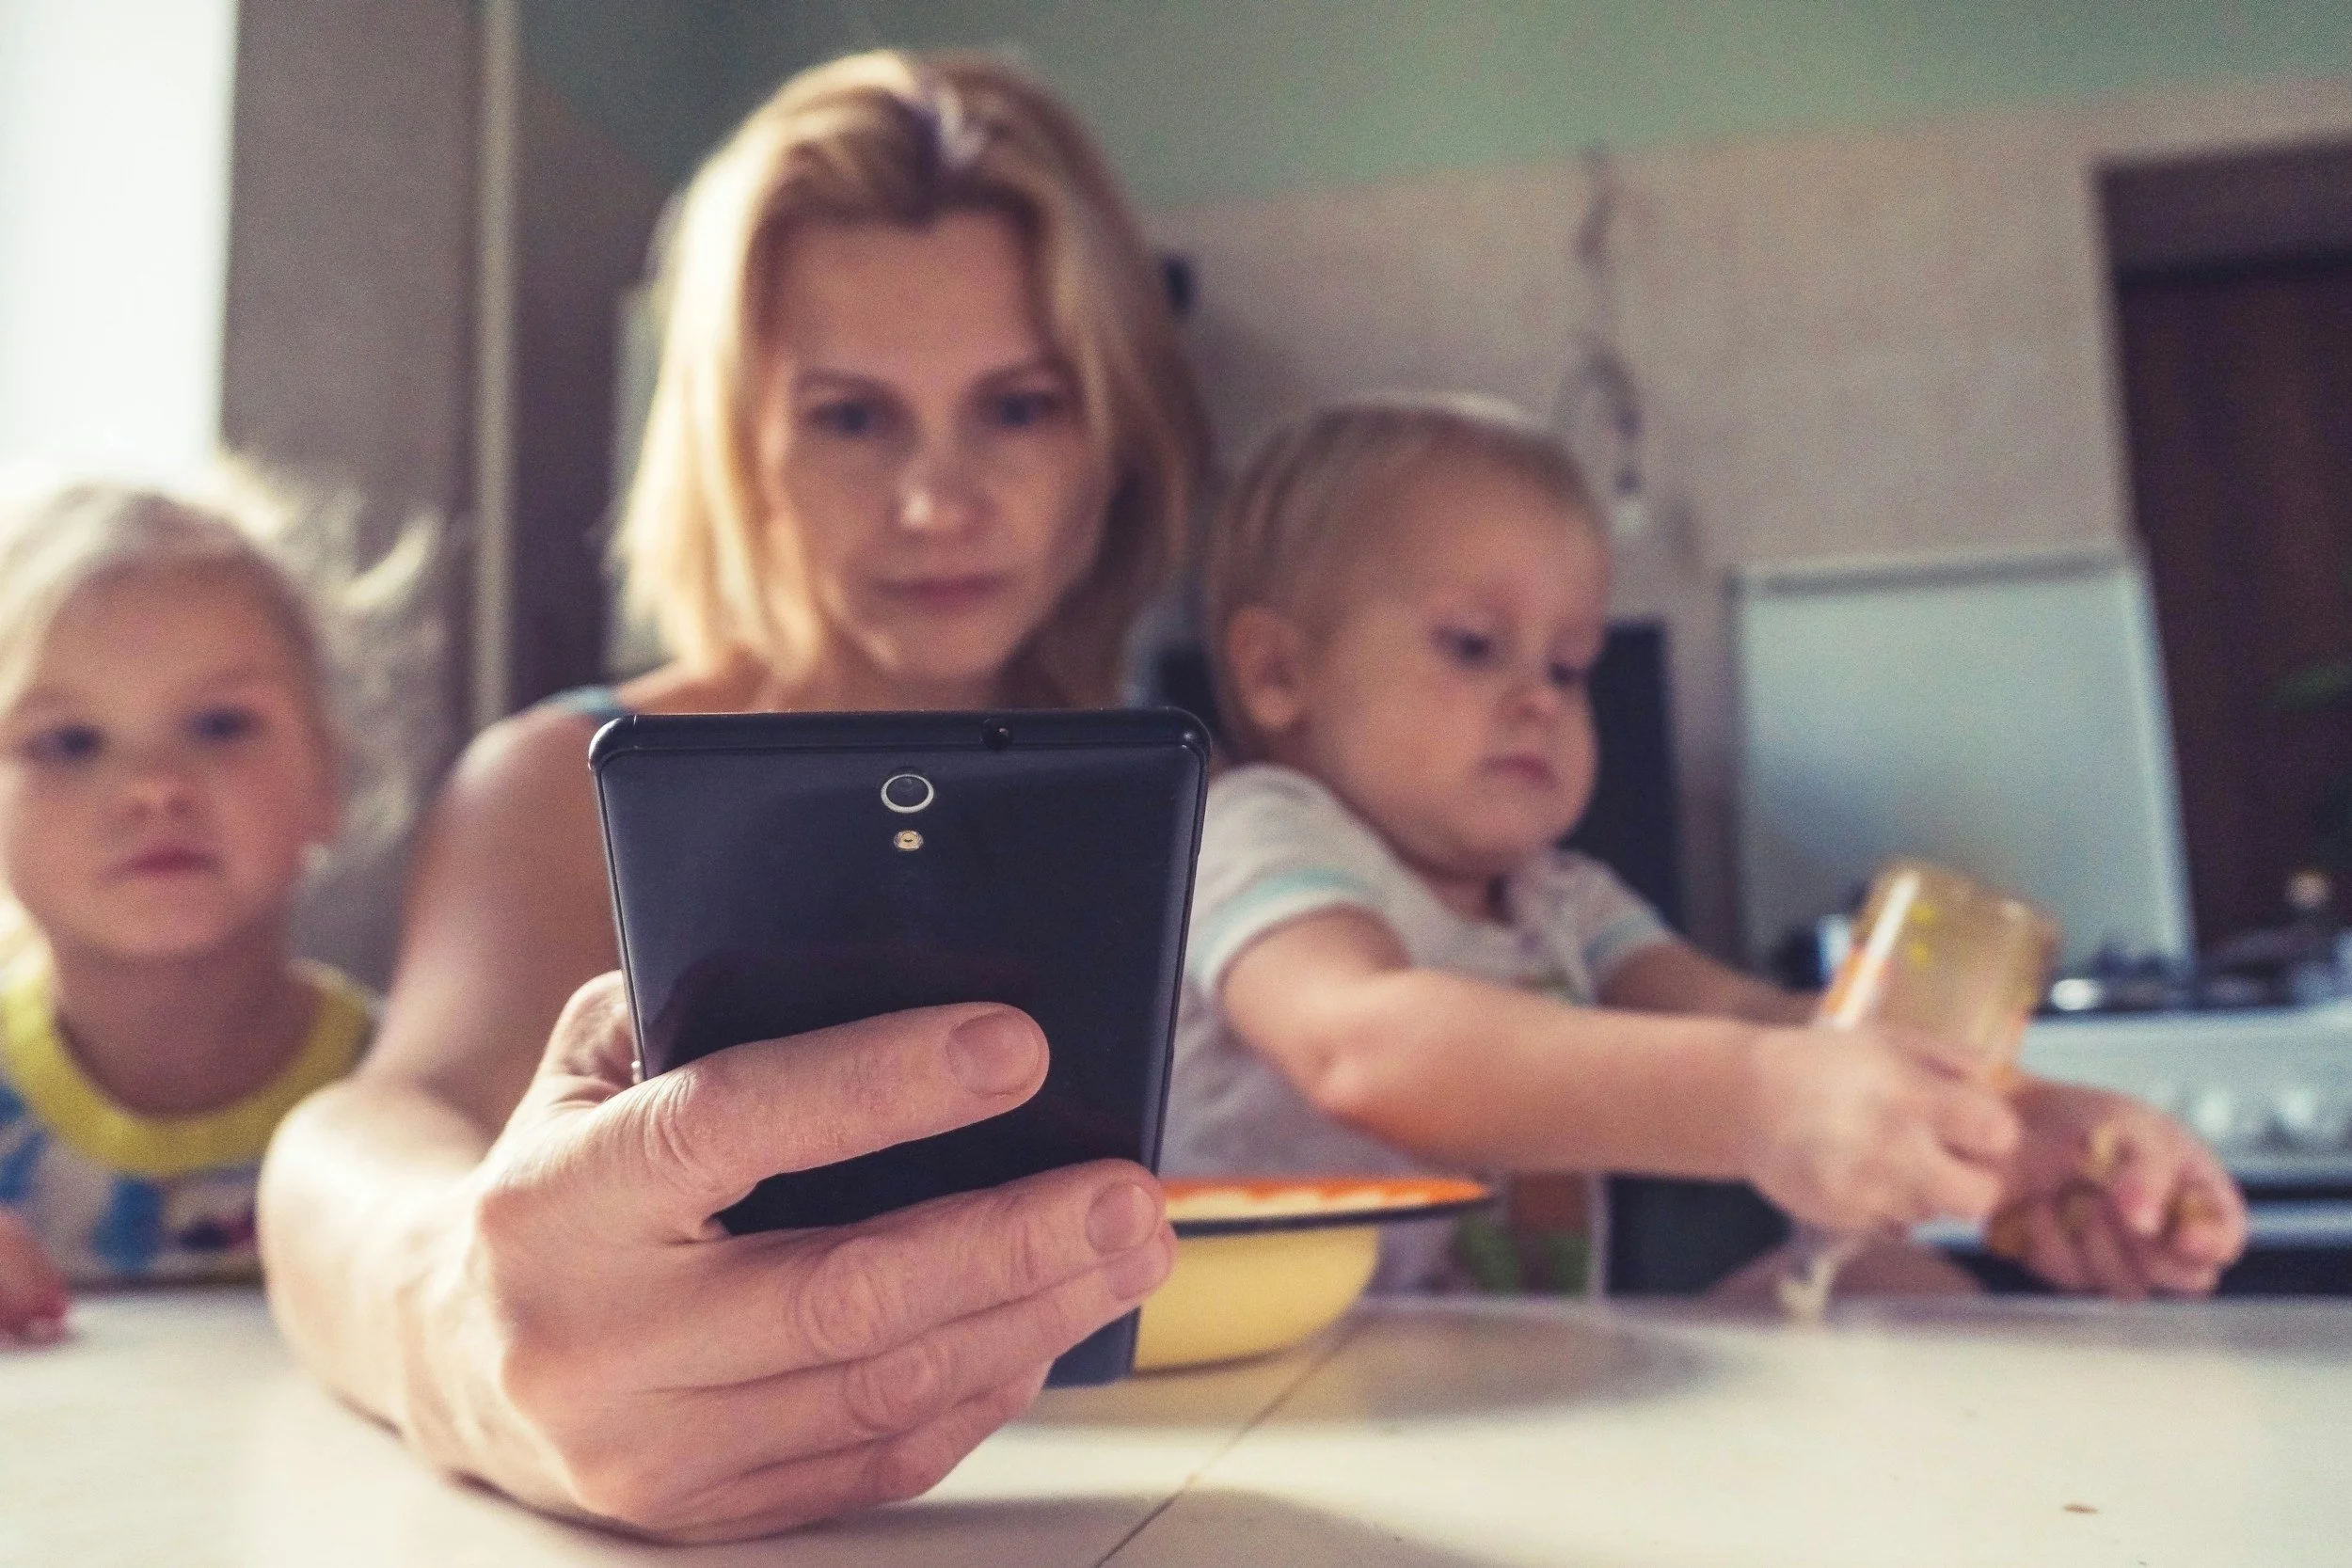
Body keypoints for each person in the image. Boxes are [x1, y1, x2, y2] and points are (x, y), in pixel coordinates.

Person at [257, 51, 1205, 1543]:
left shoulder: (1212, 808)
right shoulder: (554, 783)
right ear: (737, 440)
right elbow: (362, 1135)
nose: (936, 498)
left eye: (1016, 406)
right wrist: (460, 1325)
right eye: (849, 416)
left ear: (1111, 432)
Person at [1165, 394, 2248, 1300]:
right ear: (1279, 672)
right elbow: (1364, 1044)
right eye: (1472, 645)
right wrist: (1759, 1100)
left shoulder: (1561, 899)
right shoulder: (1251, 828)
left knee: (1891, 1283)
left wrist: (2007, 1126)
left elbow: (1750, 1021)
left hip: (1504, 1370)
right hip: (1273, 1393)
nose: (1539, 698)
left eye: (1571, 663)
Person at [0, 475, 390, 1338]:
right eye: (67, 742)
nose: (154, 789)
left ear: (327, 773)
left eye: (219, 724)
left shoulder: (412, 1087)